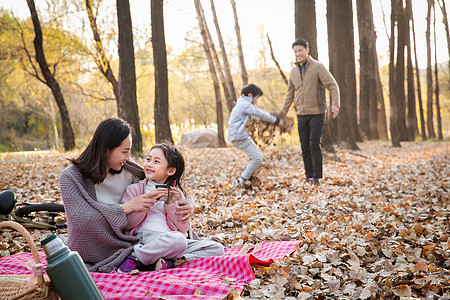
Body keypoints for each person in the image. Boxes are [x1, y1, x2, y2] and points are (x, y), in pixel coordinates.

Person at [59, 118, 194, 273]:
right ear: (106, 149)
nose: (129, 158)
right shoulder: (71, 177)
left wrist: (186, 206)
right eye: (124, 151)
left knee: (200, 245)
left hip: (151, 238)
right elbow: (82, 222)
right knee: (175, 243)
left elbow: (162, 185)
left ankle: (160, 259)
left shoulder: (131, 170)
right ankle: (146, 258)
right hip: (113, 243)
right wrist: (126, 208)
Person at [118, 143, 225, 273]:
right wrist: (145, 205)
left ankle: (170, 262)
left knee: (217, 248)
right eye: (148, 159)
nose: (149, 164)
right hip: (147, 238)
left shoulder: (176, 194)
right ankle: (135, 258)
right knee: (178, 240)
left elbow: (184, 228)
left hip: (173, 241)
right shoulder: (134, 190)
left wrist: (171, 205)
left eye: (156, 161)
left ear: (170, 171)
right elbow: (127, 224)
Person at [280, 38, 340, 186]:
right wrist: (282, 114)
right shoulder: (293, 72)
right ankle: (308, 175)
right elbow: (289, 94)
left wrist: (335, 104)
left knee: (314, 144)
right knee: (304, 146)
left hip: (317, 112)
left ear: (307, 50)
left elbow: (332, 85)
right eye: (295, 51)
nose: (298, 54)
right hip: (301, 113)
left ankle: (316, 177)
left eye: (300, 50)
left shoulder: (318, 67)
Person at [228, 83, 284, 188]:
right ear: (250, 96)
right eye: (256, 98)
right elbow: (260, 113)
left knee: (255, 158)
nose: (257, 101)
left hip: (238, 136)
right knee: (257, 159)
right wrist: (276, 120)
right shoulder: (245, 105)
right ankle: (240, 181)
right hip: (239, 137)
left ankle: (244, 179)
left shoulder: (242, 103)